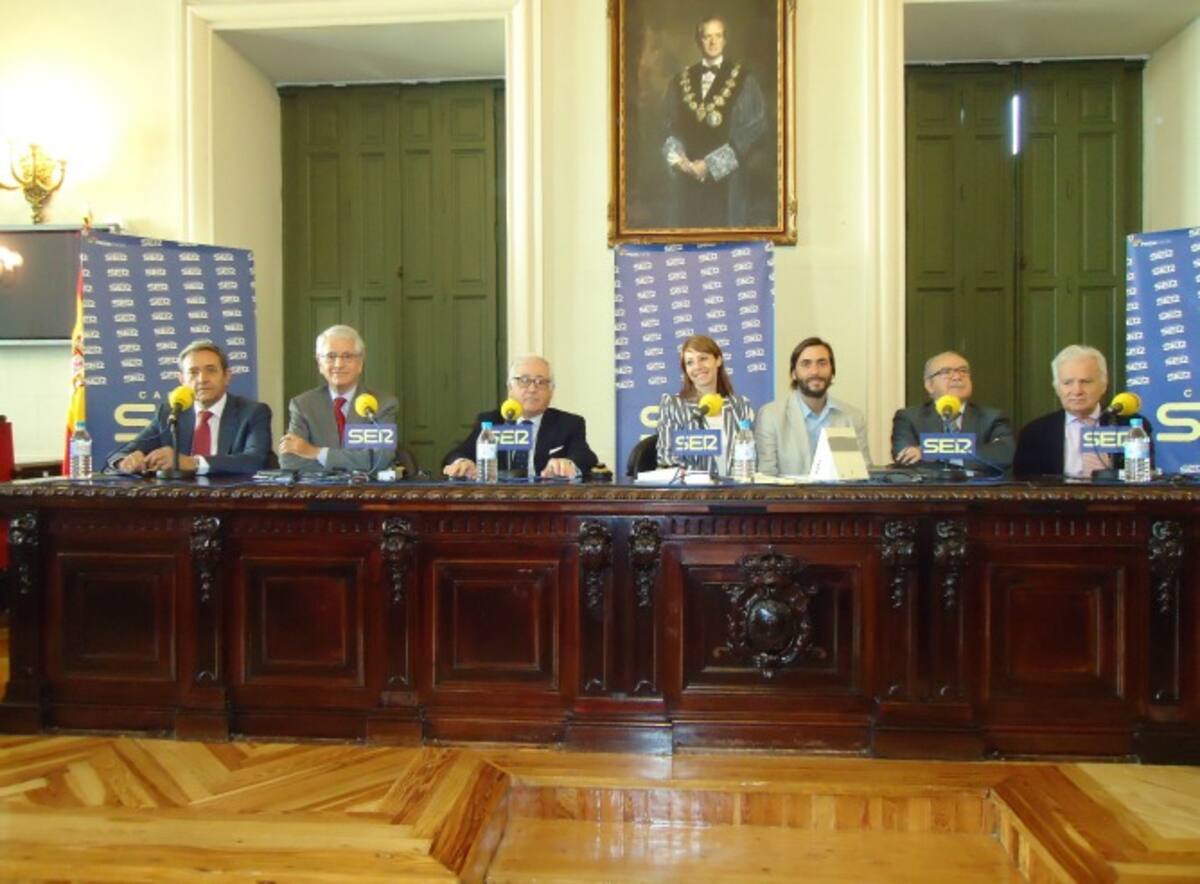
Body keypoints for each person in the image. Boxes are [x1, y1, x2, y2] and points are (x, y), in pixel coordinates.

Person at [661, 15, 768, 228]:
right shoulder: (680, 80)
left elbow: (753, 130)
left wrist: (710, 165)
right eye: (706, 36)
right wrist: (682, 162)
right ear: (698, 41)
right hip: (687, 181)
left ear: (725, 40)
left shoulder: (744, 79)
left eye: (717, 36)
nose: (712, 42)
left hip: (728, 184)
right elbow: (669, 127)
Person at [111, 340, 272, 476]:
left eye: (211, 370)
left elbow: (255, 461)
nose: (202, 379)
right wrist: (126, 461)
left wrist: (192, 462)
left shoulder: (252, 412)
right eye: (193, 373)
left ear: (227, 376)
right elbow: (120, 453)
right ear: (182, 380)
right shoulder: (171, 412)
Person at [443, 355, 598, 479]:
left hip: (547, 504)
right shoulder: (491, 421)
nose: (532, 389)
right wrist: (462, 462)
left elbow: (586, 456)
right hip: (499, 503)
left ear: (551, 391)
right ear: (510, 388)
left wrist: (568, 463)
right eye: (524, 381)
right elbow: (458, 453)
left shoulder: (568, 423)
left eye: (541, 382)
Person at [1013, 344, 1151, 479]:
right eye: (1067, 383)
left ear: (1104, 384)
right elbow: (1024, 487)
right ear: (1057, 388)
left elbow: (1142, 481)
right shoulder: (1034, 433)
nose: (1077, 391)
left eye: (1085, 381)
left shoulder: (1131, 427)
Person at [279, 324, 399, 473]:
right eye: (331, 356)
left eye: (347, 356)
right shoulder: (303, 405)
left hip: (366, 493)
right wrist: (352, 463)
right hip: (317, 494)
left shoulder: (382, 405)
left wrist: (315, 452)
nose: (338, 364)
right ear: (319, 364)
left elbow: (380, 459)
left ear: (360, 363)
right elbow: (290, 461)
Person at [753, 336, 871, 476]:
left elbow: (862, 474)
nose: (815, 371)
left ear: (832, 372)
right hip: (789, 497)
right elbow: (766, 476)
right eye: (806, 364)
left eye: (822, 363)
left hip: (839, 497)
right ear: (793, 374)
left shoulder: (852, 417)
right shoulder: (771, 416)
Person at [891, 351, 1015, 470]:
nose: (957, 376)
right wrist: (969, 453)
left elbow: (1004, 454)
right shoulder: (909, 418)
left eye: (963, 371)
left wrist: (928, 451)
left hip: (978, 490)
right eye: (946, 372)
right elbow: (905, 457)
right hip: (929, 490)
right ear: (929, 385)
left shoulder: (992, 418)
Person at [655, 334, 754, 475]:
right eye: (690, 362)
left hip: (734, 491)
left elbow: (750, 456)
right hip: (692, 492)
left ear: (718, 360)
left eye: (703, 358)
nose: (697, 367)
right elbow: (667, 459)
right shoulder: (673, 405)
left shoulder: (740, 405)